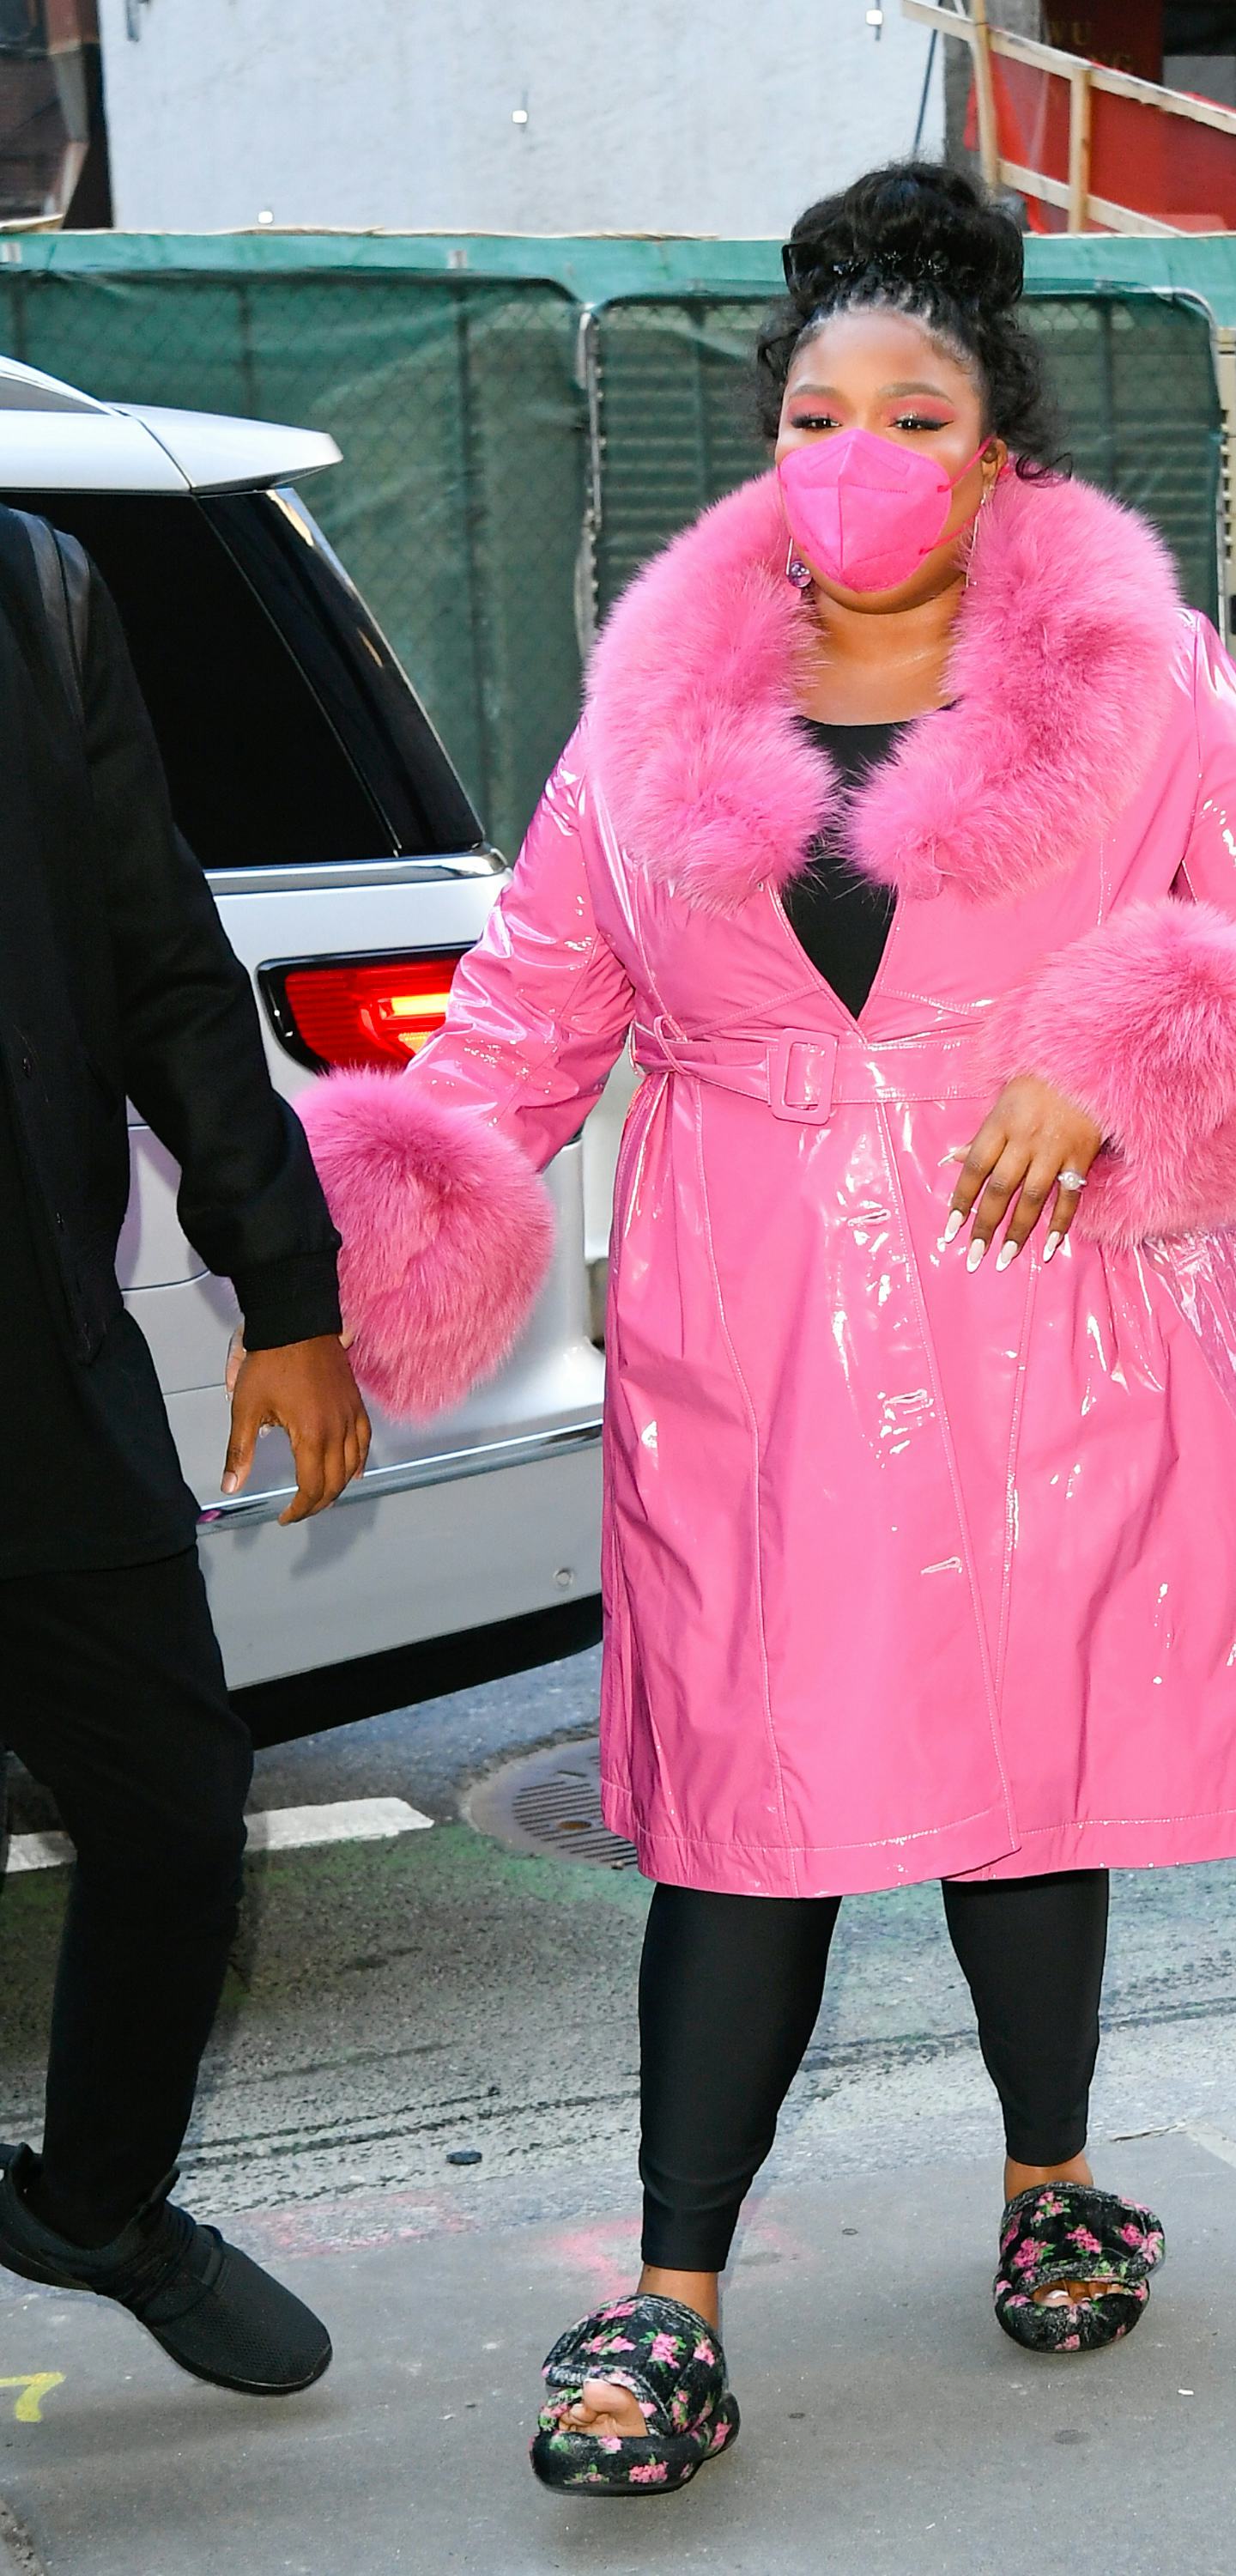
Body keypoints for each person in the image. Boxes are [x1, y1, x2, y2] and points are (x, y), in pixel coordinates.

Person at [300, 163, 1236, 2495]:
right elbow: (523, 1022)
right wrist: (349, 1261)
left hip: (1044, 1307)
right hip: (762, 1323)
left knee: (1019, 1768)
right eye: (813, 405)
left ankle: (1045, 2176)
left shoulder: (1145, 679)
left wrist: (1097, 1053)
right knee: (750, 1809)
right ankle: (672, 2301)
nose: (859, 444)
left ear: (999, 449)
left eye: (912, 405)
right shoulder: (652, 721)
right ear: (770, 438)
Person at [0, 503, 370, 2393]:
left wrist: (287, 1294)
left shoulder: (37, 593)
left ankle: (96, 2204)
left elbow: (158, 962)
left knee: (168, 1804)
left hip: (32, 1373)